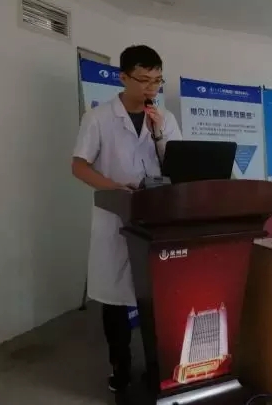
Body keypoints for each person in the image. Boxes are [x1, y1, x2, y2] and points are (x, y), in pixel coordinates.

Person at [71, 45, 182, 393]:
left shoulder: (165, 118)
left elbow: (177, 167)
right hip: (116, 217)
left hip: (155, 219)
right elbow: (79, 166)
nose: (152, 88)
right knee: (115, 300)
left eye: (157, 80)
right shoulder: (98, 118)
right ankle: (120, 370)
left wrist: (159, 132)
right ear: (123, 77)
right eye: (144, 80)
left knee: (154, 299)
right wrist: (116, 188)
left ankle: (156, 369)